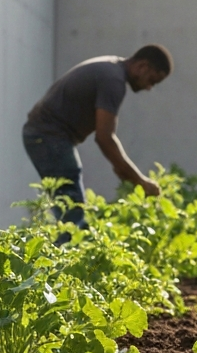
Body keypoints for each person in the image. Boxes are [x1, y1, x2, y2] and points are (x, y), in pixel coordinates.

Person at [22, 46, 173, 225]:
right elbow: (104, 138)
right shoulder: (113, 80)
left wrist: (124, 170)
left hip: (46, 135)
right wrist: (141, 181)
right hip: (48, 136)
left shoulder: (111, 67)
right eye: (152, 81)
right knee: (73, 217)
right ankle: (68, 249)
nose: (149, 87)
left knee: (68, 209)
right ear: (143, 66)